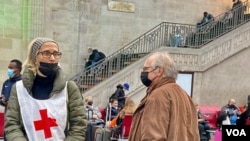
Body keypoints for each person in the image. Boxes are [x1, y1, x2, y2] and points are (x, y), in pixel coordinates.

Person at [4, 37, 87, 141]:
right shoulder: (19, 89)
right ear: (35, 58)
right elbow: (12, 125)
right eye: (46, 53)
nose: (52, 58)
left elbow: (78, 125)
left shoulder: (69, 88)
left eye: (56, 54)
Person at [128, 52, 200, 141]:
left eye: (146, 69)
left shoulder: (158, 96)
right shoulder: (185, 96)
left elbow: (153, 137)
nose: (143, 73)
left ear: (159, 71)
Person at [0, 59, 22, 141]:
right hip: (7, 119)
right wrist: (2, 101)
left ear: (18, 69)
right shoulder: (6, 83)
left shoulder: (23, 83)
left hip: (18, 120)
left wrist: (13, 104)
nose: (8, 70)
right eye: (8, 68)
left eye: (11, 68)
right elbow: (2, 98)